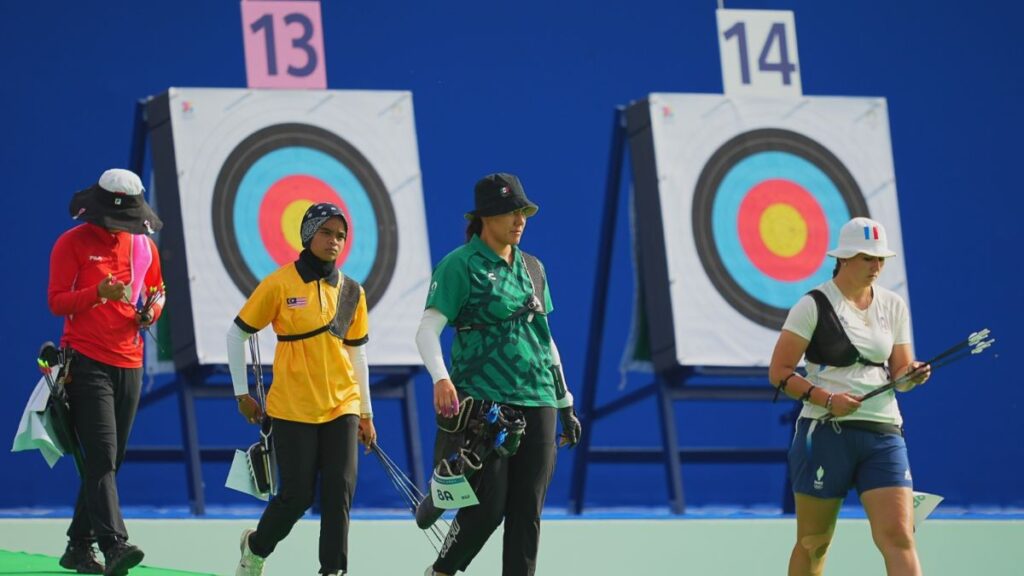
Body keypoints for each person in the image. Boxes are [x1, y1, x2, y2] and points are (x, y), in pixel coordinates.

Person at [416, 173, 581, 576]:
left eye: (522, 212)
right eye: (510, 212)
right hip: (485, 401)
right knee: (488, 506)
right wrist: (441, 378)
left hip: (538, 397)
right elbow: (426, 330)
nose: (519, 220)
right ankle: (442, 571)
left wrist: (566, 403)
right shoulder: (460, 265)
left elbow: (544, 338)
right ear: (485, 217)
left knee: (528, 510)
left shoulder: (533, 267)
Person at [768, 217, 931, 576]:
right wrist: (827, 399)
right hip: (825, 433)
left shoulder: (893, 305)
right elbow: (779, 372)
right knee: (815, 541)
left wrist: (912, 376)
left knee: (900, 537)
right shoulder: (812, 305)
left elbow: (900, 375)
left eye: (880, 259)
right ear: (844, 259)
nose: (876, 266)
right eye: (867, 258)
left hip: (883, 432)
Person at [227, 202, 377, 576]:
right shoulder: (279, 283)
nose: (334, 241)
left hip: (342, 405)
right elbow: (237, 334)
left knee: (339, 492)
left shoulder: (352, 292)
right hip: (291, 407)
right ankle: (256, 546)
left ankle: (333, 571)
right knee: (296, 498)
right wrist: (241, 393)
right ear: (309, 234)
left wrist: (365, 413)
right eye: (326, 233)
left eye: (340, 236)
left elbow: (357, 356)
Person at [48, 168, 165, 575]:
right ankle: (114, 544)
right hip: (85, 361)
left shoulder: (145, 248)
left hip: (129, 363)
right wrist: (96, 294)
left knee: (110, 461)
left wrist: (152, 311)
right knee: (100, 457)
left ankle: (78, 547)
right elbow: (58, 302)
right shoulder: (72, 243)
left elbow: (157, 290)